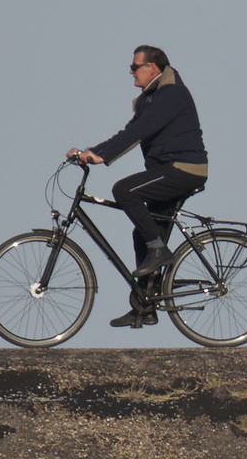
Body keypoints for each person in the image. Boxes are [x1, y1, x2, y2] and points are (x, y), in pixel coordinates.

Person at [67, 46, 208, 328]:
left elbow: (138, 133)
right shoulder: (150, 99)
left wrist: (103, 157)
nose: (130, 71)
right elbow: (127, 132)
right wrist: (89, 152)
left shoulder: (172, 94)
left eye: (135, 67)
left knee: (124, 190)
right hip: (165, 171)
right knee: (140, 233)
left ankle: (159, 250)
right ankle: (145, 305)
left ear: (152, 68)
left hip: (184, 169)